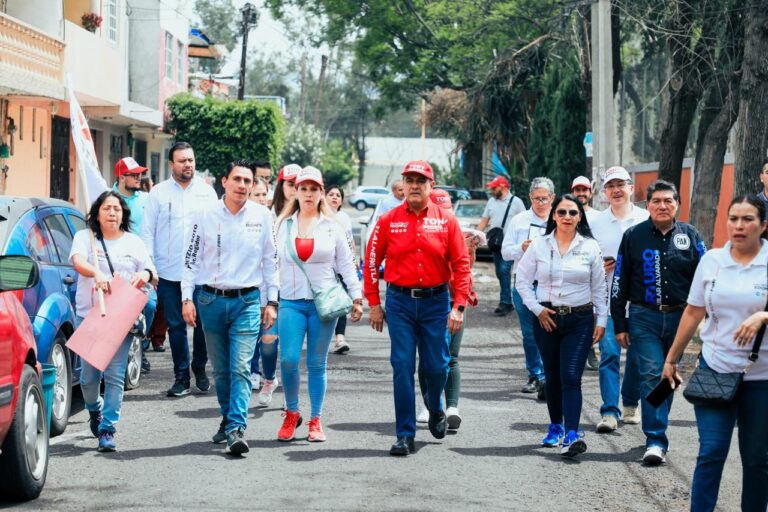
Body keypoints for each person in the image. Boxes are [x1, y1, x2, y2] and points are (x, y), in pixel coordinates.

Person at [662, 196, 768, 511]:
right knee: (711, 451)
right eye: (733, 218)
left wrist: (764, 315)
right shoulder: (712, 261)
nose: (738, 225)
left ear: (763, 225)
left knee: (757, 459)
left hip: (761, 379)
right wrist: (672, 359)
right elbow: (694, 312)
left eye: (747, 219)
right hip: (715, 371)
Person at [365, 160, 471, 457]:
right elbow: (372, 263)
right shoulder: (388, 220)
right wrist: (374, 302)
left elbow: (461, 265)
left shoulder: (447, 221)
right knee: (401, 365)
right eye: (409, 180)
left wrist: (459, 306)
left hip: (436, 302)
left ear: (430, 186)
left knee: (436, 365)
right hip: (399, 303)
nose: (414, 185)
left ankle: (436, 407)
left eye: (420, 181)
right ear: (403, 185)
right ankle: (405, 434)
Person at [181, 159, 278, 456]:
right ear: (224, 181)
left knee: (240, 368)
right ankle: (227, 417)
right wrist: (187, 298)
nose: (242, 186)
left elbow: (271, 261)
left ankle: (236, 427)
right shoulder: (204, 214)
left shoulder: (262, 216)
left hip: (247, 301)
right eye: (237, 179)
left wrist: (271, 301)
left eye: (247, 181)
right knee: (221, 370)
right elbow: (190, 257)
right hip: (210, 300)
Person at [611, 179, 706, 465]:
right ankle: (655, 438)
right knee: (652, 373)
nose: (663, 206)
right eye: (656, 201)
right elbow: (619, 281)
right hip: (644, 317)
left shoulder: (691, 236)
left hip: (681, 318)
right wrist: (620, 323)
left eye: (668, 200)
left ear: (677, 203)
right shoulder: (633, 236)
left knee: (669, 374)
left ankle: (656, 422)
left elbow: (706, 278)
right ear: (648, 205)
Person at [274, 166, 363, 443]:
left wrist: (357, 296)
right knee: (288, 360)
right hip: (290, 301)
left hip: (323, 304)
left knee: (316, 363)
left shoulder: (332, 225)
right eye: (304, 189)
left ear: (321, 193)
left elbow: (346, 265)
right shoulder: (283, 224)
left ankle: (315, 419)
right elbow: (271, 263)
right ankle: (291, 413)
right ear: (296, 192)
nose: (309, 194)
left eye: (314, 189)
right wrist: (268, 299)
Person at [516, 194, 607, 457]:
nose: (567, 217)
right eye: (562, 212)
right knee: (553, 376)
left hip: (579, 319)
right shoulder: (539, 246)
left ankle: (571, 434)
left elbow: (599, 288)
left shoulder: (590, 247)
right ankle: (555, 427)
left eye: (573, 213)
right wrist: (536, 309)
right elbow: (522, 281)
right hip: (546, 319)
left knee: (570, 376)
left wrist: (601, 321)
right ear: (554, 215)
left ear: (580, 217)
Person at [69, 191, 158, 452]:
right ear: (97, 212)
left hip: (122, 316)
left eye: (116, 209)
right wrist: (96, 272)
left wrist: (143, 274)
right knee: (88, 378)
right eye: (107, 208)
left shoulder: (134, 242)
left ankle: (107, 428)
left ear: (123, 213)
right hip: (90, 315)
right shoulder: (84, 237)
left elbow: (154, 273)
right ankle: (94, 410)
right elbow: (77, 261)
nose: (112, 213)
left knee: (115, 375)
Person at [141, 141, 218, 397]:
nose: (188, 165)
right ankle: (181, 376)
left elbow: (218, 231)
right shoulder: (158, 194)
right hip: (169, 273)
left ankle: (199, 367)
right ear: (171, 164)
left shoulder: (207, 193)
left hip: (202, 273)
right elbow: (147, 232)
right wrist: (150, 268)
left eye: (191, 160)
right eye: (183, 160)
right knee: (175, 325)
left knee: (203, 323)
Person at [589, 166, 649, 432]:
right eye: (610, 186)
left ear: (631, 187)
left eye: (620, 185)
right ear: (604, 192)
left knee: (637, 357)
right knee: (609, 355)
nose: (616, 190)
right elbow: (586, 259)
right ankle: (609, 412)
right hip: (607, 301)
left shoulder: (646, 219)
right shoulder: (595, 224)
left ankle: (630, 404)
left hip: (640, 302)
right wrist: (599, 266)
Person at [416, 188, 479, 430]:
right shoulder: (421, 232)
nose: (443, 214)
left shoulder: (456, 230)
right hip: (429, 303)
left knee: (451, 356)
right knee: (428, 358)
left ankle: (452, 406)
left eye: (446, 209)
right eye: (439, 209)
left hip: (456, 301)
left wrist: (469, 250)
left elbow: (464, 271)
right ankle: (430, 406)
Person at [500, 177, 555, 398]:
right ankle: (535, 374)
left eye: (545, 198)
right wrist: (521, 248)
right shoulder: (519, 220)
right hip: (524, 283)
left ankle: (551, 376)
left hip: (551, 283)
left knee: (551, 330)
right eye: (536, 199)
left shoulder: (560, 217)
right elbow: (505, 252)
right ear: (529, 198)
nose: (541, 203)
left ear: (552, 198)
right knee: (530, 333)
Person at [477, 176, 525, 317]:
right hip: (496, 243)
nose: (492, 190)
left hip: (511, 245)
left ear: (503, 186)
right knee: (499, 272)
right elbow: (485, 220)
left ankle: (505, 303)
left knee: (504, 270)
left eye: (494, 187)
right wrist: (476, 234)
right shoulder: (491, 201)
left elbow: (525, 221)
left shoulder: (516, 202)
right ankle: (508, 301)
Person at [326, 184, 356, 354]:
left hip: (341, 268)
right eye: (331, 194)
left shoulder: (344, 217)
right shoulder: (318, 215)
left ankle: (339, 338)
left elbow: (350, 240)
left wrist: (355, 259)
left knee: (342, 302)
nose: (334, 197)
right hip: (324, 269)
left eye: (338, 195)